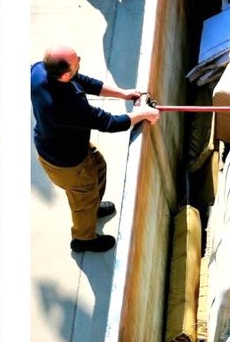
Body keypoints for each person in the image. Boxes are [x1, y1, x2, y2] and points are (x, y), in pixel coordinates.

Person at [33, 45, 159, 255]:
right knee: (83, 200)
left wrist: (122, 94)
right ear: (64, 74)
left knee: (99, 167)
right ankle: (83, 239)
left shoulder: (39, 70)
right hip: (66, 162)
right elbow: (109, 122)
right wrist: (144, 114)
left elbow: (80, 80)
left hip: (68, 143)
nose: (80, 59)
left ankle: (94, 206)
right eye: (76, 61)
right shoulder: (65, 106)